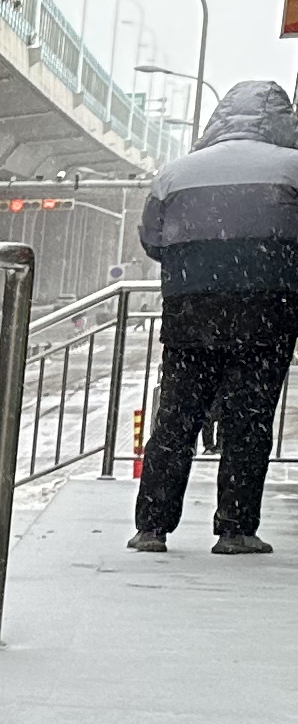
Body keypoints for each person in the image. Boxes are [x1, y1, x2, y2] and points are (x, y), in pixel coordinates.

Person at [131, 81, 298, 555]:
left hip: (191, 310)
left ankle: (152, 528)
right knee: (250, 421)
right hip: (267, 312)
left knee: (177, 418)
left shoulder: (174, 173)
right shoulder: (293, 169)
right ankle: (235, 529)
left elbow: (153, 241)